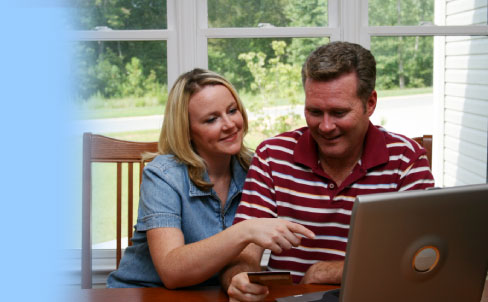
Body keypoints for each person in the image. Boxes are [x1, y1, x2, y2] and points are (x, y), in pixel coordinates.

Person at [220, 42, 435, 301]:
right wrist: (240, 278)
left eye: (338, 112)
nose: (325, 126)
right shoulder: (272, 156)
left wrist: (332, 271)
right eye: (314, 111)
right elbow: (244, 250)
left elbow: (423, 259)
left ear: (370, 103)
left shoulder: (406, 159)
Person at [106, 68, 314, 288]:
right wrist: (245, 230)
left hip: (211, 295)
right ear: (186, 130)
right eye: (211, 119)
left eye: (232, 111)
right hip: (144, 294)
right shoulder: (163, 176)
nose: (229, 124)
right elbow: (171, 272)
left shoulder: (258, 167)